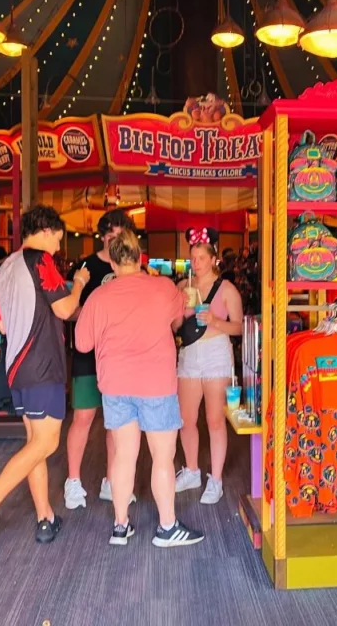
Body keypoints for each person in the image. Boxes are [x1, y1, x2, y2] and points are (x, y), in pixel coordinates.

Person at [0, 206, 89, 546]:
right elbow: (65, 309)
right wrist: (77, 284)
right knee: (46, 443)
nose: (59, 248)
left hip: (16, 366)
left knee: (36, 445)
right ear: (45, 231)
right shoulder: (39, 260)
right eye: (59, 240)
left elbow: (2, 324)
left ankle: (45, 517)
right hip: (42, 364)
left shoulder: (5, 268)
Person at [75, 229, 204, 547]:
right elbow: (180, 318)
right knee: (163, 457)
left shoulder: (99, 296)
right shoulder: (161, 287)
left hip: (116, 385)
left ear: (113, 263)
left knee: (123, 456)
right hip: (156, 384)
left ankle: (120, 526)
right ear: (140, 256)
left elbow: (81, 343)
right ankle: (167, 527)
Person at [64, 209, 139, 510]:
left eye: (119, 236)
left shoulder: (132, 265)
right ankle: (73, 482)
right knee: (83, 416)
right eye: (109, 236)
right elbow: (69, 310)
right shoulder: (86, 266)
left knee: (115, 422)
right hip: (88, 353)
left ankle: (111, 480)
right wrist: (97, 316)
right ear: (101, 235)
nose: (113, 241)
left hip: (119, 356)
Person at [174, 227, 244, 505]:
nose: (197, 263)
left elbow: (239, 327)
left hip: (216, 353)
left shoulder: (227, 289)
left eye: (202, 257)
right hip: (189, 354)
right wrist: (180, 311)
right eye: (193, 258)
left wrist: (214, 321)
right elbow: (176, 326)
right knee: (186, 419)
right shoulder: (182, 287)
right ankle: (191, 470)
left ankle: (215, 480)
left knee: (215, 420)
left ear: (213, 259)